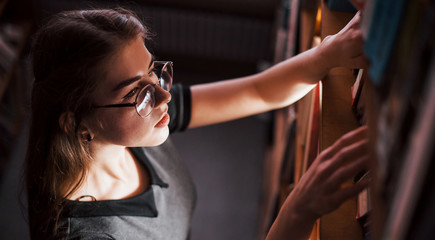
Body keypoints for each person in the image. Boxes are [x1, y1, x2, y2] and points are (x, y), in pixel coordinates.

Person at [25, 7, 369, 240]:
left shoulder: (137, 123)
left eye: (153, 73)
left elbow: (258, 92)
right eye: (136, 92)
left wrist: (328, 53)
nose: (164, 97)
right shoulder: (92, 235)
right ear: (76, 124)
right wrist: (299, 212)